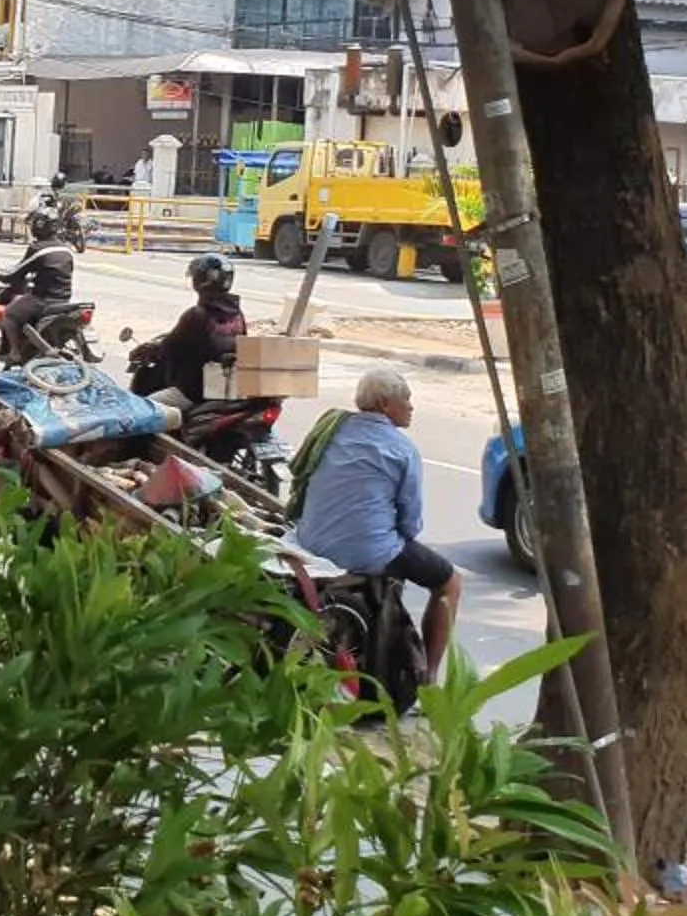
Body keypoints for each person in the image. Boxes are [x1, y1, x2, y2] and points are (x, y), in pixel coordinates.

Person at [290, 368, 461, 674]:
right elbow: (410, 523)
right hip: (366, 552)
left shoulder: (333, 430)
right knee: (449, 582)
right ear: (384, 404)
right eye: (406, 399)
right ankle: (431, 675)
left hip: (310, 539)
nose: (411, 406)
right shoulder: (402, 448)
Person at [132, 253, 248, 405]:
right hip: (222, 390)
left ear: (200, 280)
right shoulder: (237, 315)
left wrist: (146, 351)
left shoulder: (196, 315)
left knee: (142, 410)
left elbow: (169, 347)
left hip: (194, 392)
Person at [0, 216, 81, 363]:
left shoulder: (38, 249)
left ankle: (14, 353)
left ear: (38, 228)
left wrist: (1, 276)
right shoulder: (66, 249)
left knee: (8, 314)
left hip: (43, 299)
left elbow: (19, 270)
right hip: (64, 299)